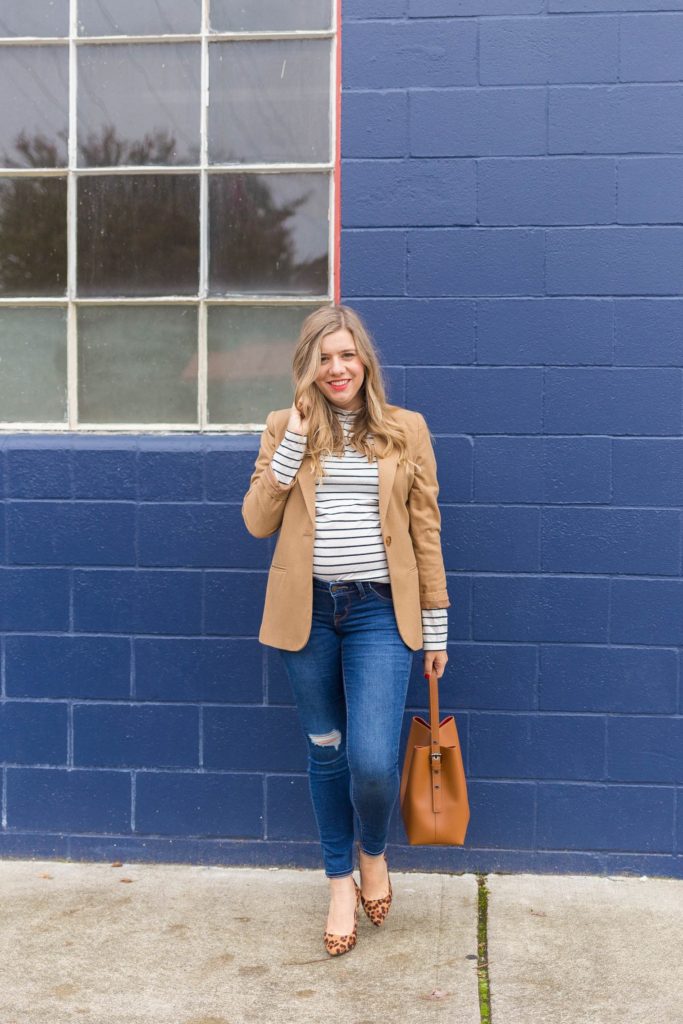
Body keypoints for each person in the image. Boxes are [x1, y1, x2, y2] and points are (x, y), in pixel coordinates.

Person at [241, 304, 449, 957]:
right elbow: (256, 519)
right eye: (323, 357)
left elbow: (425, 531)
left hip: (378, 614)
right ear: (308, 366)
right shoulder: (283, 428)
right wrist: (298, 437)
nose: (337, 368)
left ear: (364, 361)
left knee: (370, 762)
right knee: (325, 751)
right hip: (306, 617)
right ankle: (338, 881)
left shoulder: (404, 430)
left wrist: (436, 628)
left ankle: (373, 851)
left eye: (346, 355)